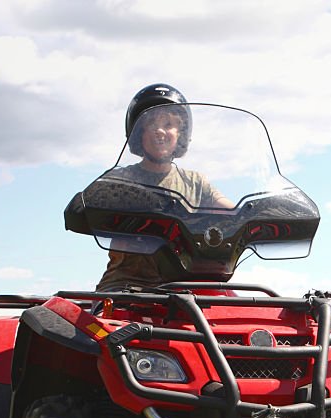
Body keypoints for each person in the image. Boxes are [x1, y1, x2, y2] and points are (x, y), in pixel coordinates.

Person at [96, 84, 233, 291]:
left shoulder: (195, 182)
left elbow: (231, 210)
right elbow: (91, 202)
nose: (160, 130)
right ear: (138, 134)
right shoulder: (119, 180)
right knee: (99, 322)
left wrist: (261, 213)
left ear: (180, 134)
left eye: (168, 124)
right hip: (126, 285)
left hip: (186, 285)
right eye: (151, 124)